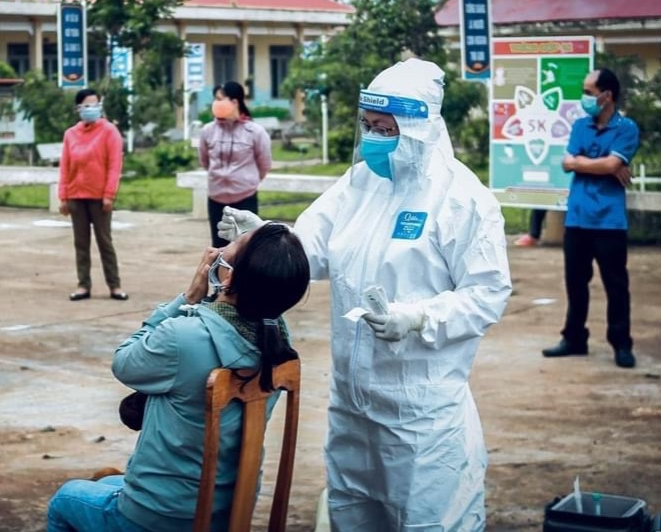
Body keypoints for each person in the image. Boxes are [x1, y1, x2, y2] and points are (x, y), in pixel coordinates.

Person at [219, 58, 512, 531]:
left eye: (385, 128)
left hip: (420, 412)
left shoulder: (462, 200)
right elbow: (309, 250)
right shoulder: (359, 184)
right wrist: (265, 239)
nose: (374, 138)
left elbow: (487, 293)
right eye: (369, 126)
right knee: (353, 513)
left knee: (426, 519)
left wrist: (416, 318)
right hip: (352, 405)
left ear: (419, 128)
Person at [46, 222, 311, 531]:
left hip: (162, 515)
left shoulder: (184, 336)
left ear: (228, 276)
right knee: (106, 481)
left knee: (64, 500)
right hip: (227, 512)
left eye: (230, 246)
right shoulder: (278, 342)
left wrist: (189, 297)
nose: (218, 250)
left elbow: (124, 362)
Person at [542, 68, 640, 369]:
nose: (584, 98)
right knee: (575, 283)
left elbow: (608, 164)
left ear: (606, 95)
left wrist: (586, 162)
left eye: (588, 92)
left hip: (609, 221)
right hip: (577, 218)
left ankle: (621, 344)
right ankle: (574, 338)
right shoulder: (580, 125)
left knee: (616, 285)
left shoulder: (626, 128)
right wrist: (603, 164)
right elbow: (568, 162)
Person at [59, 88, 128, 302]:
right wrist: (63, 196)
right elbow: (65, 167)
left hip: (99, 197)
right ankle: (83, 284)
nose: (92, 109)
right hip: (76, 195)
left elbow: (114, 165)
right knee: (81, 243)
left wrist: (109, 194)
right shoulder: (71, 134)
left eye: (95, 105)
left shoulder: (109, 131)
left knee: (105, 241)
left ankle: (114, 285)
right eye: (87, 105)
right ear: (78, 108)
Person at [198, 81, 272, 248]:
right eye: (215, 99)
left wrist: (247, 181)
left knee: (246, 247)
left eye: (220, 99)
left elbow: (264, 164)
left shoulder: (255, 132)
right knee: (219, 248)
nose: (216, 103)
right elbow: (204, 160)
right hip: (216, 198)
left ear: (234, 102)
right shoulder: (208, 131)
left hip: (245, 198)